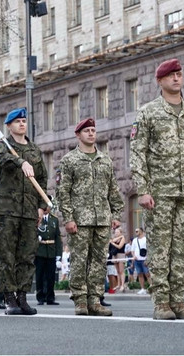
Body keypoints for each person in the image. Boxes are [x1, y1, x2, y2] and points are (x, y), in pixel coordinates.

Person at [129, 58, 184, 320]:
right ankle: (161, 304)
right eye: (171, 75)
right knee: (160, 249)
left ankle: (178, 301)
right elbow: (138, 154)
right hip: (159, 195)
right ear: (160, 81)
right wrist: (142, 189)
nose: (177, 78)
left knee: (181, 250)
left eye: (179, 74)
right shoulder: (148, 113)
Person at [57, 117, 123, 316]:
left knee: (99, 262)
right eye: (87, 131)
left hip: (102, 219)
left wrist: (116, 213)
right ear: (78, 135)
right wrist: (68, 218)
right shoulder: (69, 160)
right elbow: (63, 192)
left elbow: (113, 190)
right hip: (80, 221)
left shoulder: (106, 160)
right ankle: (80, 300)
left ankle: (95, 300)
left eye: (93, 130)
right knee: (79, 261)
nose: (91, 133)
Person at [0, 107, 48, 316]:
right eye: (17, 122)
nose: (22, 124)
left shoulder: (34, 149)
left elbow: (42, 178)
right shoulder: (2, 146)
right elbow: (0, 160)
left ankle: (23, 297)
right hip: (8, 210)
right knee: (7, 255)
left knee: (27, 255)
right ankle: (9, 298)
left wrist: (42, 207)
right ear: (9, 126)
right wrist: (20, 161)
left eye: (24, 121)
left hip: (29, 211)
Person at [35, 203, 62, 305]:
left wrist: (59, 254)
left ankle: (50, 297)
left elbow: (58, 238)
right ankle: (40, 297)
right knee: (40, 275)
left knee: (50, 276)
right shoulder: (38, 217)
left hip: (51, 250)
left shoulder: (54, 219)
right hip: (40, 250)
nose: (46, 208)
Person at [131, 228, 149, 295]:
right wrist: (134, 256)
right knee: (140, 274)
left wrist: (147, 259)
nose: (136, 232)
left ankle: (151, 287)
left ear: (141, 231)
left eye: (137, 231)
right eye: (135, 231)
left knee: (147, 274)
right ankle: (142, 289)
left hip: (144, 259)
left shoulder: (145, 239)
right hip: (137, 260)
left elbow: (148, 249)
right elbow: (132, 250)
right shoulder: (135, 240)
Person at [109, 227, 127, 291]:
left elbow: (119, 247)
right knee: (118, 271)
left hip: (121, 254)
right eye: (115, 232)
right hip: (115, 255)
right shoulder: (116, 238)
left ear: (120, 232)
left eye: (117, 232)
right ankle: (118, 284)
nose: (116, 233)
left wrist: (113, 243)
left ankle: (122, 285)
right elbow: (112, 240)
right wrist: (116, 239)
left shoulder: (123, 238)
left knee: (121, 271)